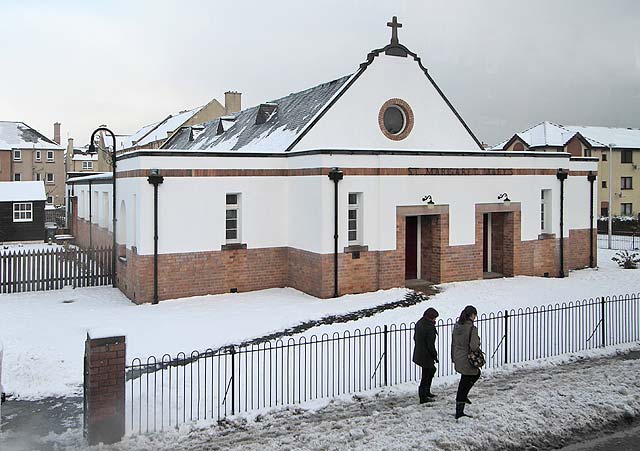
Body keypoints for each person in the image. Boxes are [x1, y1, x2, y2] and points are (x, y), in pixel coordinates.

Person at [451, 305, 481, 419]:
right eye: (475, 315)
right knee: (471, 377)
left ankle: (463, 398)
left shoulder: (457, 326)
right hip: (467, 358)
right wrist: (478, 342)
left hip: (458, 356)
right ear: (472, 315)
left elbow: (453, 342)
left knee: (465, 379)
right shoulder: (472, 329)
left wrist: (453, 357)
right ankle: (460, 409)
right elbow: (474, 346)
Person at [412, 307, 439, 404]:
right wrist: (434, 355)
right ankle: (423, 396)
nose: (435, 320)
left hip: (419, 352)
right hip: (426, 355)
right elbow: (430, 345)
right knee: (426, 375)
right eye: (434, 318)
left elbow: (415, 338)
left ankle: (426, 392)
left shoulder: (420, 323)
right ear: (431, 318)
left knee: (430, 371)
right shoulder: (429, 327)